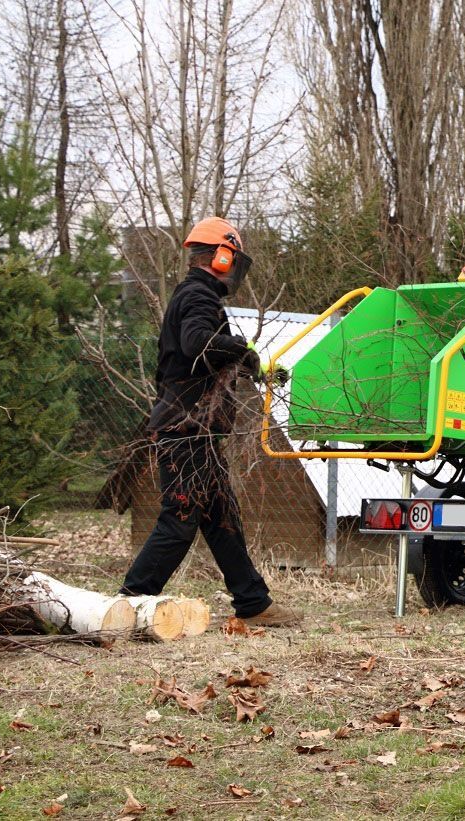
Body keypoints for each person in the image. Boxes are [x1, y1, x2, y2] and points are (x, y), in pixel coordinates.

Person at [118, 217, 301, 626]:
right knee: (181, 515)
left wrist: (243, 359)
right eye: (232, 258)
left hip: (197, 429)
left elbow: (199, 350)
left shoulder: (195, 295)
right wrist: (242, 350)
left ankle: (253, 604)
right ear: (220, 256)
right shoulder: (198, 295)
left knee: (221, 516)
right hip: (186, 428)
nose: (234, 268)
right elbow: (197, 342)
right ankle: (128, 606)